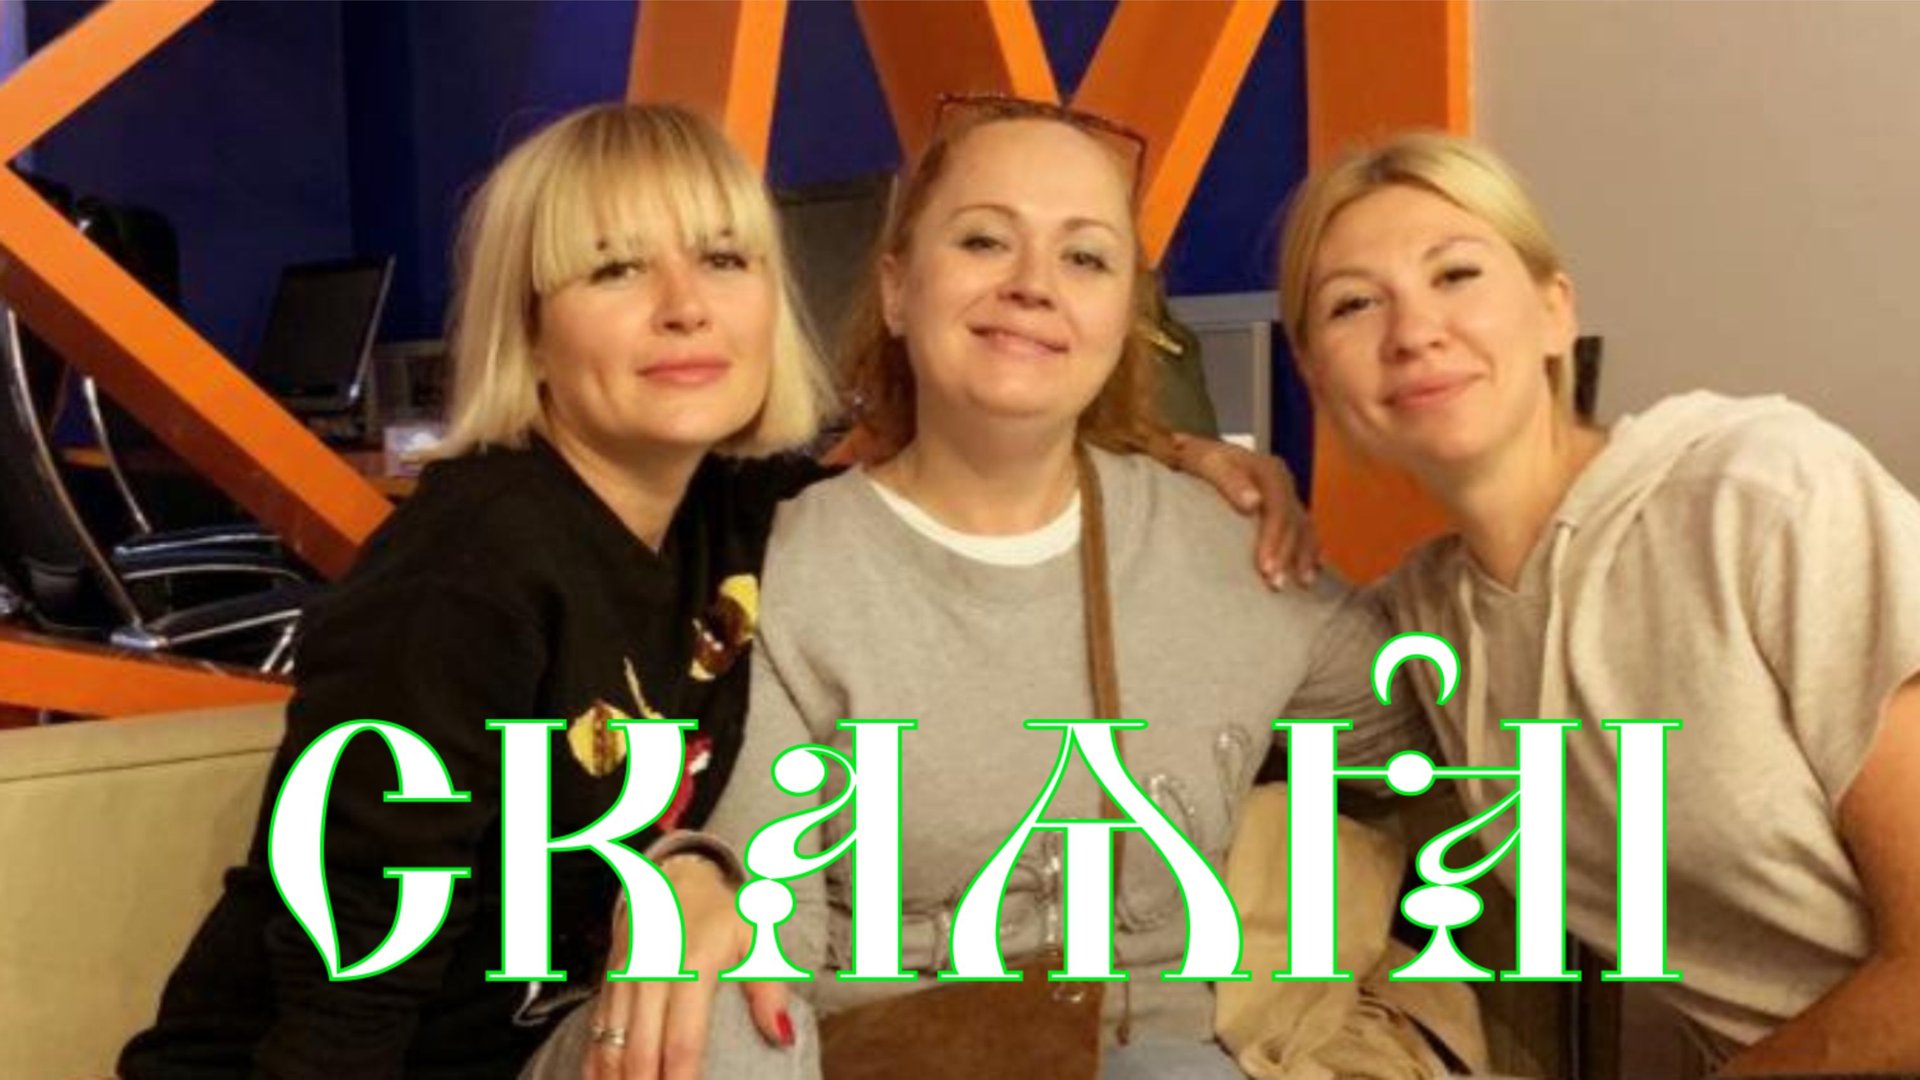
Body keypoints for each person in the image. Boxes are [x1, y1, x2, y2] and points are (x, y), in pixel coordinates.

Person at [118, 102, 1311, 1080]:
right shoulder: (468, 568)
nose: (685, 305)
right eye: (615, 268)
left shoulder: (737, 515)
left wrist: (1182, 456)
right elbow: (346, 969)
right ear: (530, 328)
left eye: (725, 260)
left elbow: (973, 449)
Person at [554, 97, 1434, 1080]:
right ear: (897, 288)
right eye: (983, 240)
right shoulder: (787, 565)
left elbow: (1454, 728)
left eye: (1085, 257)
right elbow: (768, 937)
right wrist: (696, 884)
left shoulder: (1229, 550)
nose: (1032, 286)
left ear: (1124, 319)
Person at [1276, 130, 1920, 1073]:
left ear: (1554, 312)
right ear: (1315, 377)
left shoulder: (1763, 492)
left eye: (1455, 274)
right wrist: (1200, 465)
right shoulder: (1425, 620)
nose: (1413, 332)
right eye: (1353, 304)